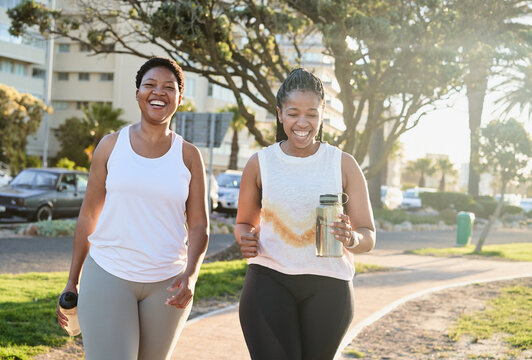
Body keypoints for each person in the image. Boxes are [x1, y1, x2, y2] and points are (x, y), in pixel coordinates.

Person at [56, 57, 209, 360]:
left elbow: (199, 226)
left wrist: (190, 276)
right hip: (109, 274)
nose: (158, 92)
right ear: (138, 92)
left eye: (169, 87)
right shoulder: (111, 146)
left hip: (168, 282)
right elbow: (88, 215)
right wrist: (73, 280)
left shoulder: (190, 156)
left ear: (180, 97)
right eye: (150, 85)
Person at [235, 68, 376, 360]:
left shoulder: (343, 164)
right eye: (293, 112)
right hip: (269, 279)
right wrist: (245, 237)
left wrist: (350, 238)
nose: (302, 122)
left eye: (311, 114)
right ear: (280, 114)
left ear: (323, 114)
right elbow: (244, 222)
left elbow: (368, 234)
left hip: (330, 286)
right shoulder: (260, 163)